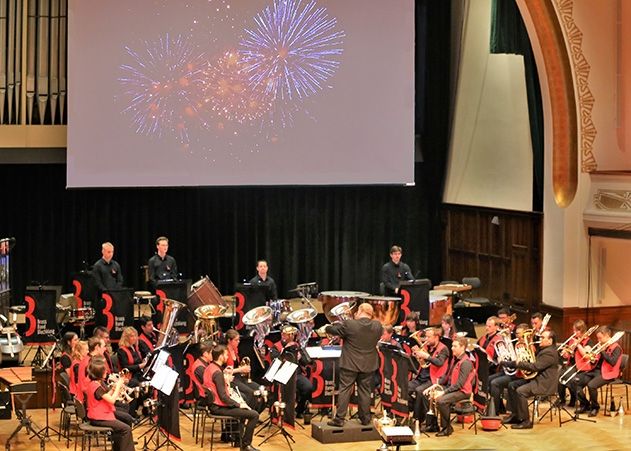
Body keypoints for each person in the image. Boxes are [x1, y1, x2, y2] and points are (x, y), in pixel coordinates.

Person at [325, 303, 383, 427]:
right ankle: (365, 418)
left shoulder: (350, 324)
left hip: (350, 364)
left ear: (360, 311)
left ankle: (339, 418)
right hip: (368, 364)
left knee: (345, 390)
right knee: (365, 391)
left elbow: (333, 330)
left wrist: (328, 326)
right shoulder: (378, 326)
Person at [205, 345, 260, 451]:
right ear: (221, 356)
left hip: (214, 405)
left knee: (244, 408)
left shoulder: (211, 367)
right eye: (226, 354)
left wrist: (225, 376)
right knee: (254, 415)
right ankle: (245, 445)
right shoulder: (217, 373)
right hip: (218, 407)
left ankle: (238, 440)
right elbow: (224, 397)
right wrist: (239, 404)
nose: (227, 356)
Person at [502, 329, 559, 429]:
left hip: (544, 383)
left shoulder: (549, 353)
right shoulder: (545, 350)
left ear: (550, 341)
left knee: (520, 391)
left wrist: (519, 364)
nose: (540, 339)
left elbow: (535, 367)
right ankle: (515, 415)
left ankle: (526, 421)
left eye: (543, 338)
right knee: (512, 385)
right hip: (538, 379)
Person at [85, 356, 135, 451]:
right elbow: (112, 400)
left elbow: (104, 397)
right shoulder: (96, 387)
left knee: (124, 423)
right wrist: (119, 385)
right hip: (98, 418)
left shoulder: (94, 383)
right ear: (99, 373)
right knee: (126, 429)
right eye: (104, 371)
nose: (106, 372)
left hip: (99, 415)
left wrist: (112, 389)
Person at [429, 336, 476, 437]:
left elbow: (460, 384)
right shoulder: (457, 359)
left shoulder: (466, 362)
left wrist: (444, 392)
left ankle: (447, 428)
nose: (452, 348)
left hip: (463, 392)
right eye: (452, 346)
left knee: (441, 401)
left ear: (462, 347)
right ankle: (434, 425)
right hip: (456, 389)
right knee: (433, 394)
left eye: (455, 346)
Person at [573, 325, 623, 416]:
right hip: (596, 370)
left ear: (607, 335)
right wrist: (592, 359)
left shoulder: (616, 347)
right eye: (598, 338)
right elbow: (595, 360)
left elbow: (612, 362)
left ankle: (595, 407)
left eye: (600, 338)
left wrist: (602, 351)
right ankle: (585, 404)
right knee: (576, 382)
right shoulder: (602, 345)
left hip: (609, 373)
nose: (598, 341)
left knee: (591, 385)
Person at [270, 325, 314, 418]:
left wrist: (300, 357)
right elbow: (275, 360)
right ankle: (283, 414)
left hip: (296, 374)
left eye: (291, 335)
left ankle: (299, 410)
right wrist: (284, 351)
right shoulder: (276, 346)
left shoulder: (297, 345)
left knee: (308, 387)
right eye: (286, 334)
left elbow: (307, 361)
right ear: (282, 335)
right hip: (282, 375)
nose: (289, 337)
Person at [411, 327, 450, 432]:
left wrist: (426, 356)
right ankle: (406, 416)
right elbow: (424, 364)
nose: (426, 339)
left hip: (435, 379)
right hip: (422, 377)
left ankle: (418, 420)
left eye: (429, 337)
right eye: (426, 337)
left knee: (420, 391)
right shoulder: (428, 347)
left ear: (436, 337)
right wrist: (417, 354)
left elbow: (439, 362)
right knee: (406, 387)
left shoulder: (443, 349)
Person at [191, 341, 214, 406]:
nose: (213, 355)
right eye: (211, 353)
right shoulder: (200, 367)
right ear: (205, 354)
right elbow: (210, 383)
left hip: (207, 394)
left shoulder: (204, 363)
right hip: (204, 397)